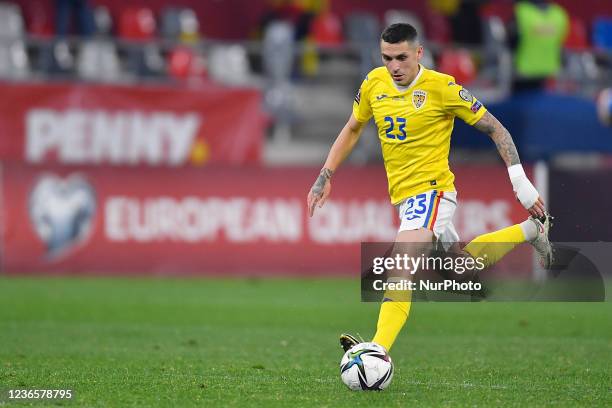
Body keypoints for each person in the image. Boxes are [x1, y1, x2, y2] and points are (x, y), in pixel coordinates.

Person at [306, 23, 554, 354]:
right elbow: (352, 128)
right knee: (460, 267)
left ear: (419, 53)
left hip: (433, 192)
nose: (393, 66)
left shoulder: (442, 88)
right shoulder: (373, 83)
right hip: (403, 198)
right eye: (386, 58)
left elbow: (497, 129)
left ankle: (377, 350)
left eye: (401, 57)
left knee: (400, 264)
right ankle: (532, 230)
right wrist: (326, 174)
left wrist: (520, 183)